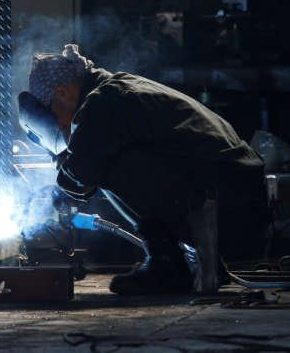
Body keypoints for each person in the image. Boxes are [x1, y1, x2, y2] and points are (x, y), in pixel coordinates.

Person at [19, 44, 269, 295]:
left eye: (53, 114)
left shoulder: (103, 103)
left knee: (105, 164)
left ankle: (167, 266)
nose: (62, 125)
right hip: (239, 200)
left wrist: (58, 161)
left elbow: (78, 177)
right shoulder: (117, 88)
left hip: (230, 209)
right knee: (103, 155)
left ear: (61, 93)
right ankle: (190, 262)